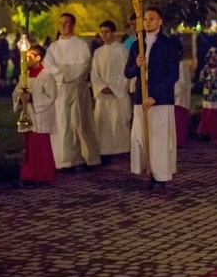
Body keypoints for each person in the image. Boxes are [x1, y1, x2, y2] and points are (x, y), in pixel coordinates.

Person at [124, 7, 180, 193]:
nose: (147, 22)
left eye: (151, 18)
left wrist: (155, 96)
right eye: (145, 19)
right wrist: (137, 65)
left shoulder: (168, 44)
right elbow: (128, 72)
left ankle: (161, 178)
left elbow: (172, 75)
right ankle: (148, 172)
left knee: (160, 140)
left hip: (160, 100)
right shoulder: (136, 45)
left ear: (160, 21)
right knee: (141, 137)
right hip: (141, 98)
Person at [43, 12, 101, 170]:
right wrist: (64, 72)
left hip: (76, 89)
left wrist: (64, 72)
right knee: (62, 123)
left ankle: (82, 158)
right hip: (59, 90)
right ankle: (62, 159)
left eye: (66, 23)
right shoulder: (53, 47)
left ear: (72, 25)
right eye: (60, 22)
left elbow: (83, 65)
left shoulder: (81, 45)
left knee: (79, 122)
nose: (62, 26)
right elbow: (48, 65)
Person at [12, 44, 56, 187]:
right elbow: (16, 92)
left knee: (40, 147)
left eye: (29, 56)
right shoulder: (24, 75)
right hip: (28, 114)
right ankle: (28, 175)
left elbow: (52, 95)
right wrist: (20, 98)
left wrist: (32, 98)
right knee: (28, 146)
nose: (25, 58)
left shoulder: (46, 75)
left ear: (38, 58)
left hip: (40, 115)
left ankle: (43, 176)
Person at [91, 21, 131, 162]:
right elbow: (94, 74)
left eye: (107, 32)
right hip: (103, 95)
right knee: (103, 124)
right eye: (102, 32)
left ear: (113, 33)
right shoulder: (98, 52)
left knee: (118, 123)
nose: (104, 35)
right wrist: (102, 87)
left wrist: (114, 87)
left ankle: (121, 150)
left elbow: (125, 72)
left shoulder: (122, 50)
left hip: (117, 95)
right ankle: (104, 151)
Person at [174, 44, 192, 148]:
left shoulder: (182, 64)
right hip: (175, 97)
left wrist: (174, 90)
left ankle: (179, 141)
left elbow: (183, 83)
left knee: (179, 120)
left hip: (179, 97)